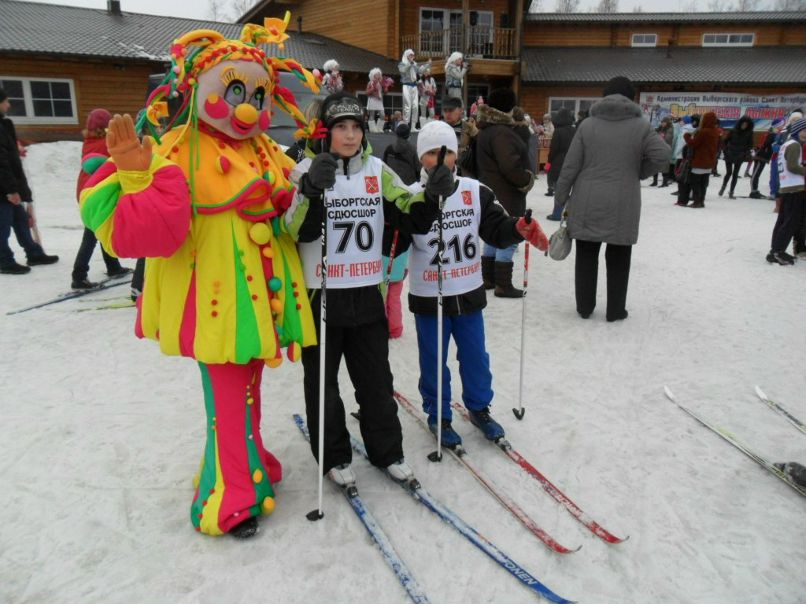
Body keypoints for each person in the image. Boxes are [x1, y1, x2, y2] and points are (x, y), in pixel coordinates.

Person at [79, 21, 321, 538]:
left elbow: (291, 197)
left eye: (258, 93)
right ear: (200, 88)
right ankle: (229, 494)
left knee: (248, 388)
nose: (249, 107)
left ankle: (248, 463)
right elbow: (149, 235)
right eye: (235, 91)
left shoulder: (262, 149)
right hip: (218, 299)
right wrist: (137, 175)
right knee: (230, 394)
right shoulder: (178, 148)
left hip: (261, 300)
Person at [284, 92, 444, 486]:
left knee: (376, 381)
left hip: (366, 292)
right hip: (321, 294)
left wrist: (434, 194)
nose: (351, 135)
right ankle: (334, 455)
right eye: (341, 127)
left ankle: (387, 450)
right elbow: (291, 229)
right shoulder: (300, 169)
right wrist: (310, 191)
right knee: (323, 384)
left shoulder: (376, 170)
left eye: (356, 126)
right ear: (326, 130)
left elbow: (409, 207)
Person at [406, 121, 549, 447]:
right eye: (431, 153)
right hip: (431, 297)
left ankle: (479, 407)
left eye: (447, 153)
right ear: (421, 159)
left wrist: (518, 228)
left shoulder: (475, 191)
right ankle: (438, 413)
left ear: (457, 156)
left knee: (475, 357)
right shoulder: (411, 196)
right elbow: (400, 237)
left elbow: (496, 228)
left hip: (468, 292)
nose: (440, 160)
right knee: (433, 359)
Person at [554, 76, 669, 322]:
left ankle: (585, 307)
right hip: (623, 201)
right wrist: (639, 171)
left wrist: (561, 196)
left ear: (604, 97)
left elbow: (570, 165)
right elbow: (663, 156)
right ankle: (615, 310)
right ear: (631, 98)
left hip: (587, 200)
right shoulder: (641, 126)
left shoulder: (587, 125)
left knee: (586, 255)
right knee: (619, 258)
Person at [475, 88, 535, 297]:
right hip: (506, 193)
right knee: (509, 234)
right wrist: (526, 179)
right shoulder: (502, 132)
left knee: (493, 234)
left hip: (490, 190)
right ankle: (503, 284)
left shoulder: (486, 129)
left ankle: (488, 278)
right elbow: (509, 166)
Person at [0, 88, 59, 274]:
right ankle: (4, 260)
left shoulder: (4, 125)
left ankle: (34, 253)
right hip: (3, 188)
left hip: (10, 183)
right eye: (5, 101)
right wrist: (10, 190)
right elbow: (1, 162)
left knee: (21, 220)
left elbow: (9, 157)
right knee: (3, 225)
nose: (8, 105)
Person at [71, 108, 131, 288]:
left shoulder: (89, 141)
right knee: (91, 236)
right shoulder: (104, 143)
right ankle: (78, 276)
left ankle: (113, 266)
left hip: (87, 192)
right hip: (97, 194)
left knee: (105, 227)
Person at [766, 118, 806, 266]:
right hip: (794, 187)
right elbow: (793, 167)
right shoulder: (795, 145)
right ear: (797, 131)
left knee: (784, 220)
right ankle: (778, 251)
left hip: (787, 187)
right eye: (804, 130)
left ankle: (776, 250)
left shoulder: (787, 143)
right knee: (790, 221)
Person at [676, 111, 720, 209]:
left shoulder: (704, 132)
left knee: (696, 183)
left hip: (699, 161)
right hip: (709, 162)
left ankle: (696, 202)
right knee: (703, 184)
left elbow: (693, 143)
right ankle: (701, 201)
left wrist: (686, 136)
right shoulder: (715, 131)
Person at [545, 106, 575, 216]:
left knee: (559, 189)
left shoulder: (558, 132)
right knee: (571, 190)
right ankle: (568, 213)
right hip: (572, 162)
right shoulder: (575, 130)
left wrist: (549, 162)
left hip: (559, 163)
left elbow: (553, 150)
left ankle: (557, 214)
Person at [719, 115, 754, 199]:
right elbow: (724, 142)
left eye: (746, 125)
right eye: (743, 124)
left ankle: (731, 192)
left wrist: (745, 153)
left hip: (739, 155)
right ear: (740, 123)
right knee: (729, 172)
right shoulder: (733, 131)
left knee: (735, 174)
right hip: (729, 153)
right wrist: (725, 151)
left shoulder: (749, 133)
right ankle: (723, 187)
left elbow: (750, 145)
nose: (744, 126)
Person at [398, 49, 431, 131]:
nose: (412, 57)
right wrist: (410, 64)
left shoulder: (414, 64)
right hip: (406, 86)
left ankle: (413, 126)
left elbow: (420, 71)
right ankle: (406, 126)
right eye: (410, 55)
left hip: (414, 86)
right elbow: (403, 70)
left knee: (415, 106)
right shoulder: (402, 64)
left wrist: (427, 64)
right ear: (406, 56)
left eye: (413, 55)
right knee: (407, 106)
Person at [748, 125, 776, 199]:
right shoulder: (772, 135)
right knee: (755, 174)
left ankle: (755, 190)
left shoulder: (770, 135)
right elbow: (765, 144)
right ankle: (753, 191)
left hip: (763, 156)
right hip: (761, 157)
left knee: (757, 174)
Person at [365, 68, 393, 133]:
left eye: (379, 74)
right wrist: (372, 89)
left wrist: (386, 87)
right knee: (372, 114)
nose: (379, 75)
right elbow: (367, 92)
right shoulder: (370, 83)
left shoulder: (381, 83)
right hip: (372, 100)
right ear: (373, 75)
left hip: (379, 100)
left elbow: (385, 92)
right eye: (377, 74)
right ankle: (372, 129)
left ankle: (379, 128)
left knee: (382, 114)